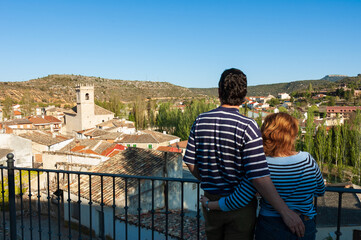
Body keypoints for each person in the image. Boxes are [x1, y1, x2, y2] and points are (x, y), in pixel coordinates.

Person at [184, 68, 304, 240]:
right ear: (243, 95)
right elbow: (259, 177)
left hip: (210, 203)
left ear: (219, 91)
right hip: (240, 206)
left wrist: (209, 179)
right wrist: (285, 212)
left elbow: (190, 161)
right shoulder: (247, 126)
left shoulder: (200, 120)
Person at [254, 113, 325, 240]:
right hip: (303, 224)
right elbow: (320, 190)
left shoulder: (261, 163)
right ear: (292, 135)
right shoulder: (307, 159)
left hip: (270, 225)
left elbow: (250, 192)